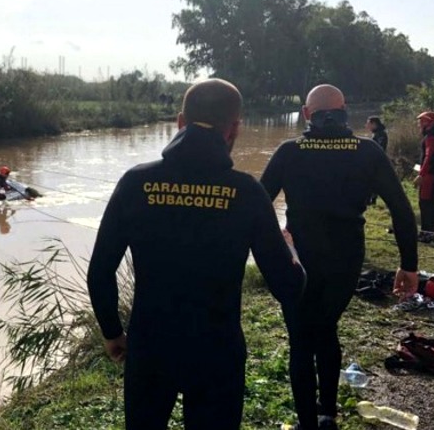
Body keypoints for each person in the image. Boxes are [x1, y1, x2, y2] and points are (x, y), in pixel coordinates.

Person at [86, 79, 305, 430]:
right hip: (218, 351)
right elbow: (288, 287)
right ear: (234, 128)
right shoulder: (246, 192)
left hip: (150, 346)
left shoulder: (135, 182)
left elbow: (100, 270)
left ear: (179, 123)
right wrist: (291, 246)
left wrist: (112, 331)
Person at [260, 84, 419, 430]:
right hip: (346, 259)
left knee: (301, 340)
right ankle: (327, 413)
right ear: (345, 110)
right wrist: (408, 264)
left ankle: (307, 422)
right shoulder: (367, 151)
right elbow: (402, 210)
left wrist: (270, 249)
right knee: (326, 328)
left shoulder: (290, 151)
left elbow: (256, 207)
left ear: (306, 114)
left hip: (298, 260)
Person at [414, 111, 434, 243]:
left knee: (426, 204)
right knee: (430, 204)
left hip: (430, 175)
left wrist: (421, 174)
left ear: (430, 123)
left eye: (422, 121)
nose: (419, 124)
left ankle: (427, 234)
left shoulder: (431, 137)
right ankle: (430, 233)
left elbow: (429, 156)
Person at [366, 116, 388, 205]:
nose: (366, 126)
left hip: (377, 162)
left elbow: (379, 148)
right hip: (374, 161)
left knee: (373, 181)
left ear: (374, 124)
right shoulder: (376, 134)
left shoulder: (381, 134)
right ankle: (370, 199)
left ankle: (372, 200)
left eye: (368, 124)